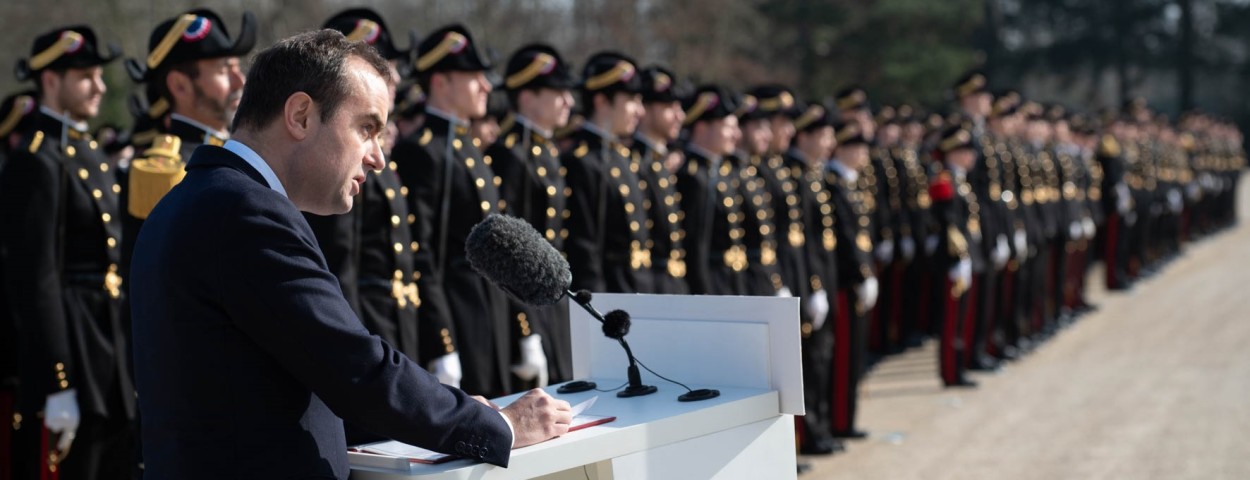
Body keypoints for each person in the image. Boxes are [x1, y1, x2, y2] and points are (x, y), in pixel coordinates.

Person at [130, 30, 571, 479]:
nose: (377, 158)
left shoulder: (200, 198)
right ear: (301, 115)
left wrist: (451, 410)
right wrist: (500, 425)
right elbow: (354, 369)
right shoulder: (246, 211)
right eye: (366, 128)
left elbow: (292, 381)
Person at [0, 25, 134, 479]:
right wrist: (58, 381)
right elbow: (36, 277)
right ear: (50, 81)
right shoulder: (38, 158)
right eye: (85, 77)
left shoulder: (88, 151)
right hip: (73, 345)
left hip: (107, 342)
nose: (99, 86)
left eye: (98, 75)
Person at [390, 24, 511, 397]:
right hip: (458, 314)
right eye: (474, 77)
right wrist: (442, 341)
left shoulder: (467, 147)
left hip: (491, 312)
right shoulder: (423, 151)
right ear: (441, 81)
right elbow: (423, 254)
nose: (486, 87)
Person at [485, 43, 580, 386]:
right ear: (527, 96)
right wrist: (525, 330)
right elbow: (510, 256)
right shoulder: (511, 154)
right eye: (558, 93)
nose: (568, 102)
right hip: (528, 308)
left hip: (552, 303)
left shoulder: (545, 150)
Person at [561, 52, 654, 293]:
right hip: (611, 291)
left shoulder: (622, 157)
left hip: (636, 286)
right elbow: (585, 247)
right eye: (632, 100)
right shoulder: (583, 161)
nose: (640, 111)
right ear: (602, 101)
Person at [824, 121, 879, 439]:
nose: (863, 154)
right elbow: (845, 238)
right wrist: (861, 274)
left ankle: (847, 419)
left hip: (858, 279)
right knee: (843, 355)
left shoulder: (850, 183)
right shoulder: (833, 184)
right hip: (845, 281)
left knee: (854, 354)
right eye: (857, 148)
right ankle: (839, 421)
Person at [675, 85, 749, 295]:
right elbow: (696, 246)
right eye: (728, 127)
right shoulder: (692, 175)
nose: (736, 135)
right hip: (711, 283)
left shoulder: (717, 171)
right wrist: (703, 292)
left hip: (730, 281)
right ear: (701, 128)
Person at [632, 65, 690, 294]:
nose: (680, 115)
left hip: (672, 284)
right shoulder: (635, 164)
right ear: (645, 109)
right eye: (669, 107)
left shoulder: (660, 163)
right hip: (649, 286)